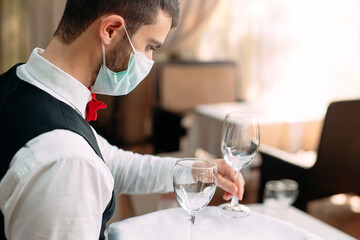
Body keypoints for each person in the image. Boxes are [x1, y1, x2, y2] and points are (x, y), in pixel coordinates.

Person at [0, 0, 245, 239]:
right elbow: (81, 160)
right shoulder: (68, 161)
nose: (149, 60)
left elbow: (112, 161)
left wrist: (194, 171)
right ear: (110, 30)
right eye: (149, 47)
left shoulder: (22, 83)